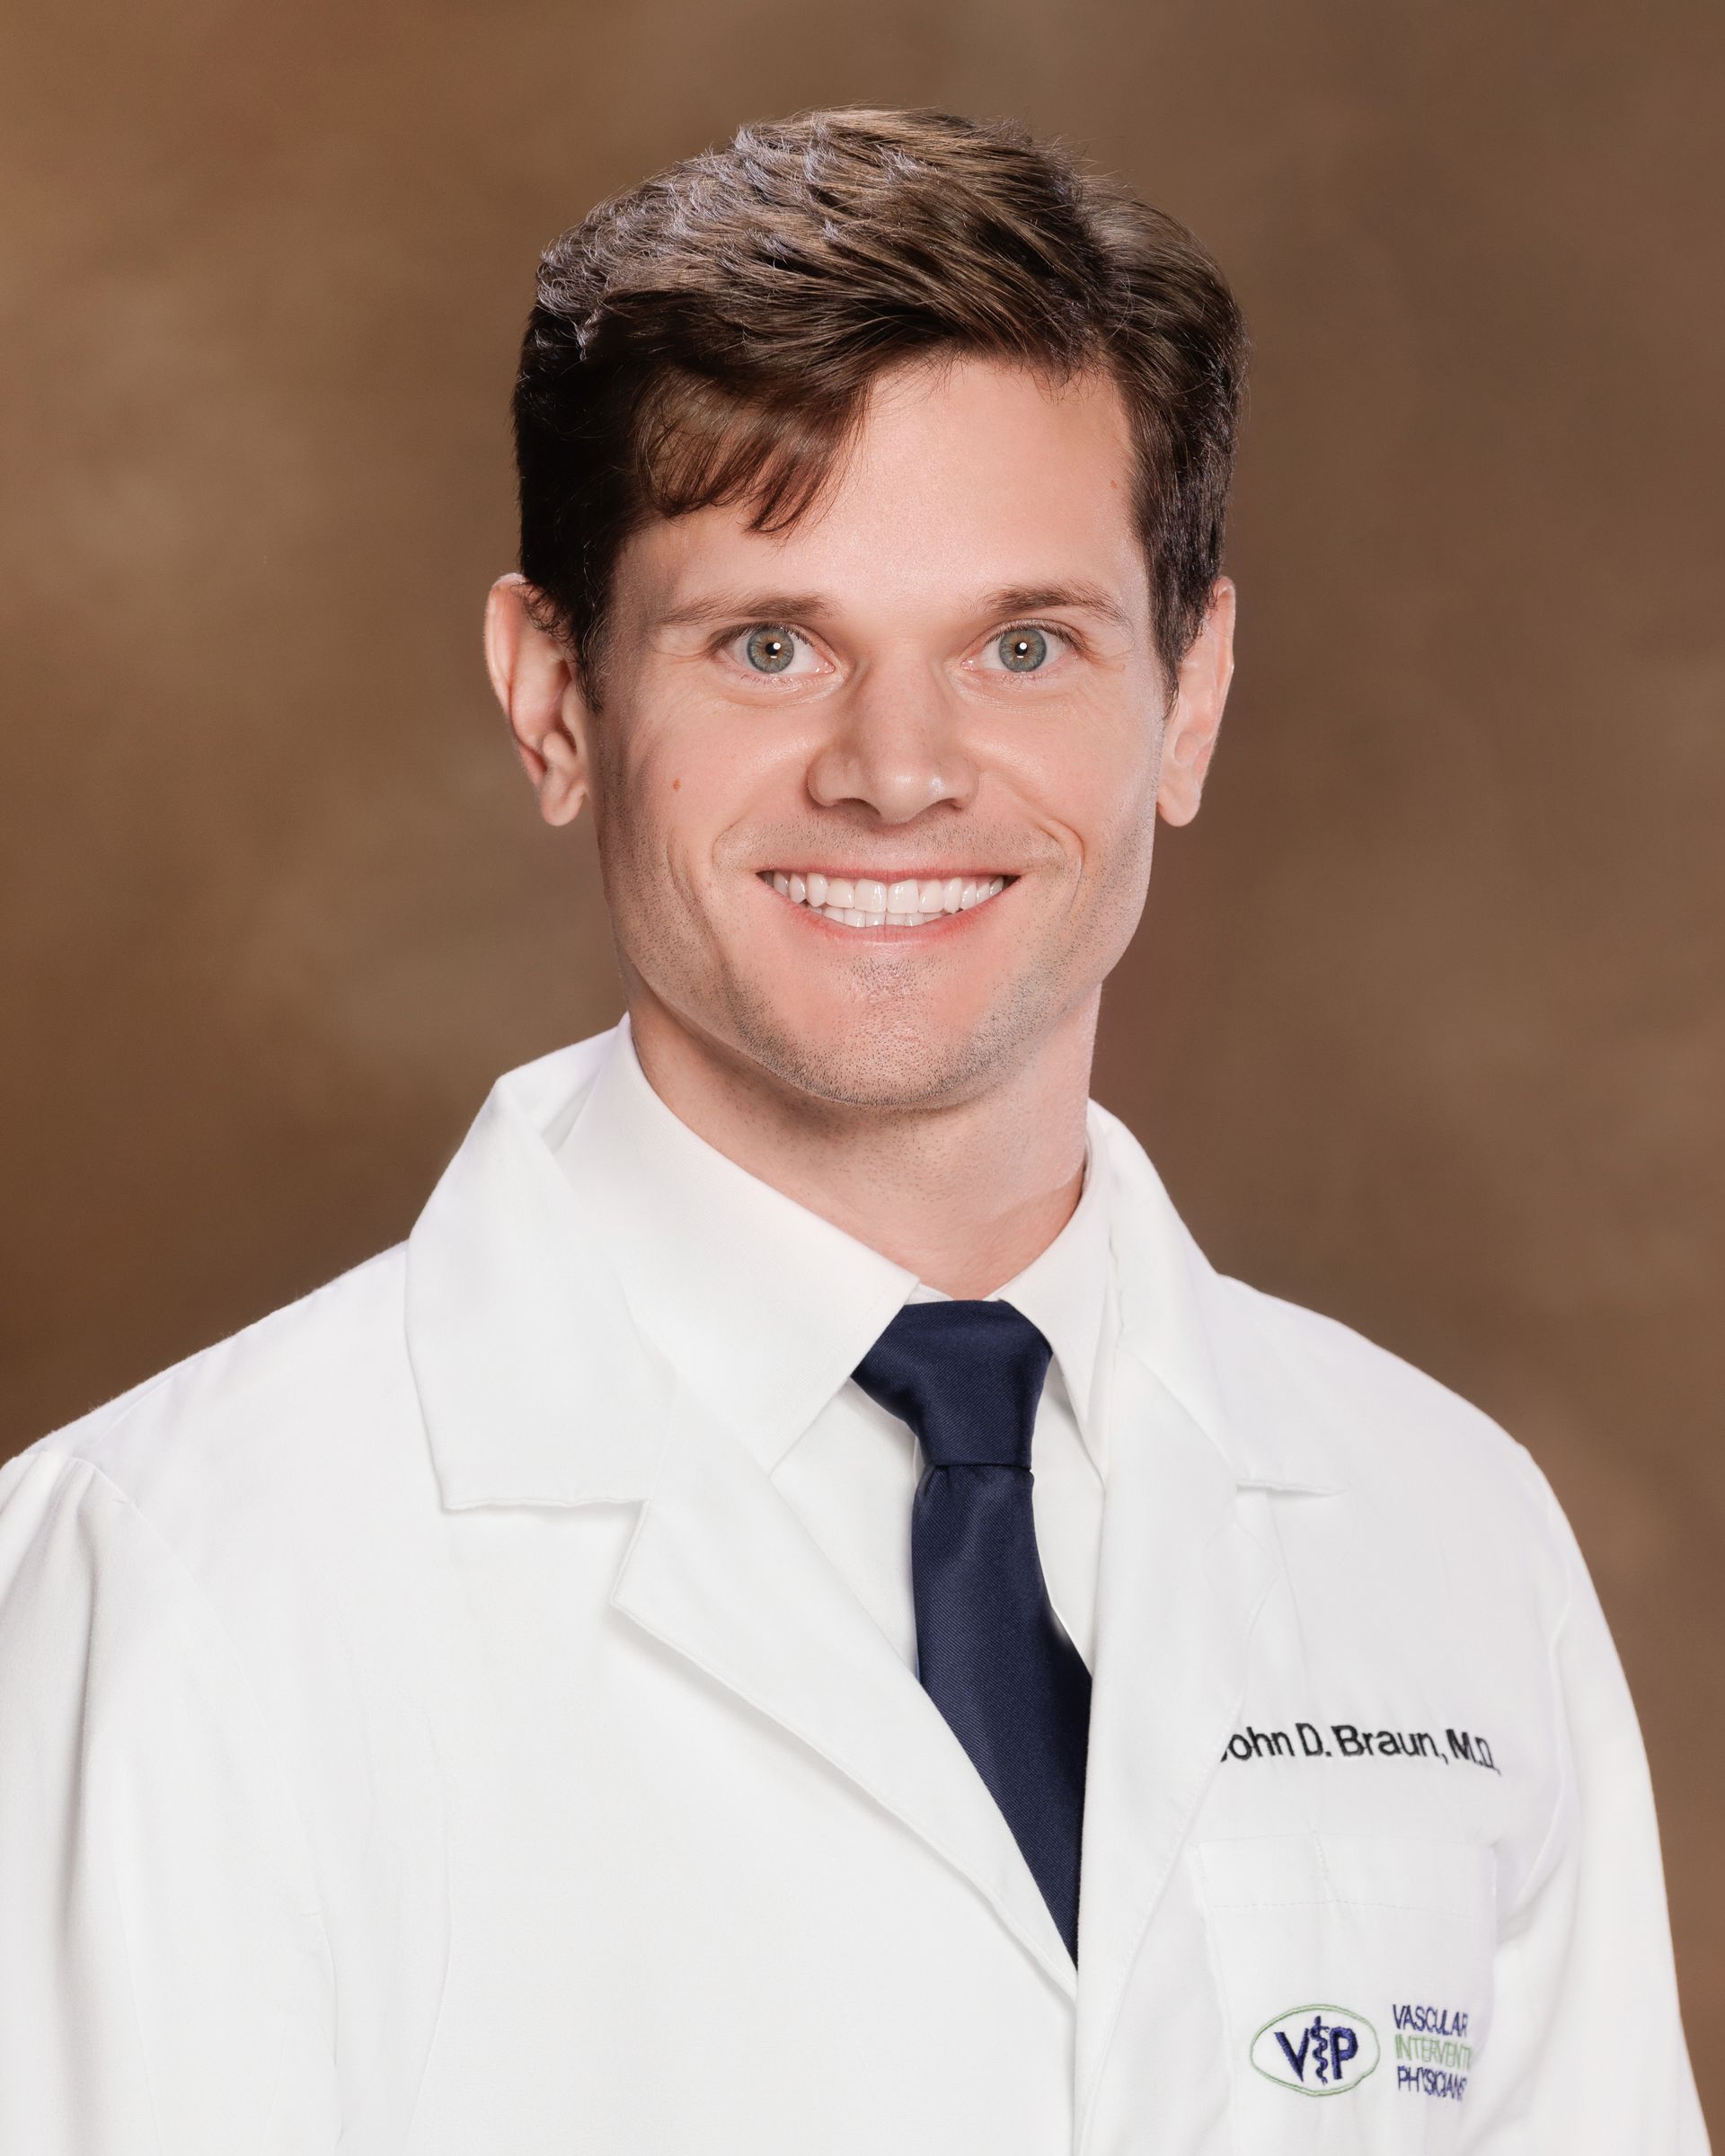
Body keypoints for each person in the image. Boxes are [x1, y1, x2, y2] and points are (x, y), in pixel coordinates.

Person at [0, 105, 1705, 2154]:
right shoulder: (162, 1586)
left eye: (1022, 644)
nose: (900, 775)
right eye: (771, 643)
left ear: (1193, 697)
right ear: (556, 699)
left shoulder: (1447, 1535)